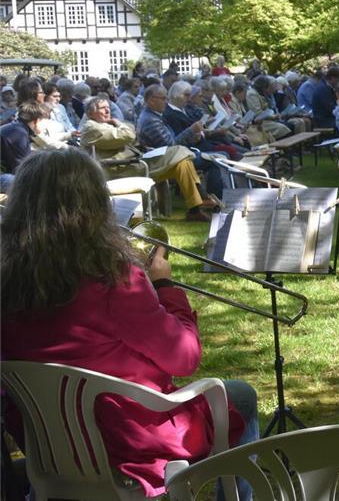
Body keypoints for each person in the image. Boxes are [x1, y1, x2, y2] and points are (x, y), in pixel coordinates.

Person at [0, 149, 259, 499]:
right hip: (130, 445)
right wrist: (165, 286)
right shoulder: (113, 281)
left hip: (47, 449)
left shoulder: (7, 283)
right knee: (241, 395)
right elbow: (185, 358)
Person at [81, 96, 218, 222]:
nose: (107, 111)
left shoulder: (105, 126)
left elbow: (129, 138)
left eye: (108, 107)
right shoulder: (91, 128)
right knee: (179, 151)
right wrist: (118, 122)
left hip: (135, 164)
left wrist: (144, 147)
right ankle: (202, 199)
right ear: (90, 113)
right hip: (122, 169)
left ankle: (195, 208)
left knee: (182, 162)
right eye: (102, 108)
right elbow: (128, 135)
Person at [137, 84, 225, 200]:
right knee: (215, 160)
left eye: (166, 98)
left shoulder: (153, 115)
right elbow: (170, 146)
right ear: (152, 100)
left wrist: (191, 137)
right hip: (163, 162)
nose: (166, 102)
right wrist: (191, 130)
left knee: (217, 157)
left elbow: (172, 142)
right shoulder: (151, 120)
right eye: (163, 99)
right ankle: (213, 200)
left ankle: (207, 200)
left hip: (170, 157)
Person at [0, 102, 48, 176]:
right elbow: (21, 168)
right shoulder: (18, 133)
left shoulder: (18, 127)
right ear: (36, 121)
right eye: (43, 121)